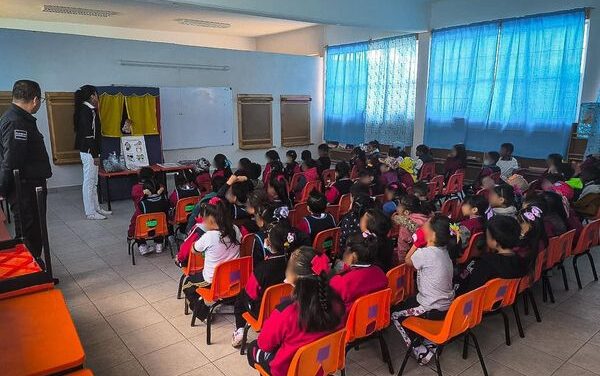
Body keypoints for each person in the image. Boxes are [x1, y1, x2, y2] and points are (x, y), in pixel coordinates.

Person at [246, 247, 344, 376]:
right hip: (323, 363)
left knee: (252, 348)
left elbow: (264, 344)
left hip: (287, 370)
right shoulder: (338, 303)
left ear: (294, 277)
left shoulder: (286, 311)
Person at [391, 214, 455, 365]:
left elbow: (407, 261)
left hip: (429, 306)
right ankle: (429, 341)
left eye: (425, 226)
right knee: (408, 303)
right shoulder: (445, 250)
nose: (421, 228)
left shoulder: (425, 253)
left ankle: (420, 350)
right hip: (446, 305)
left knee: (394, 315)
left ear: (432, 235)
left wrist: (417, 243)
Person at [0, 80, 52, 260]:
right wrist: (2, 189)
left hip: (28, 186)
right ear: (36, 100)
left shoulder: (17, 118)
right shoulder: (17, 122)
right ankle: (32, 274)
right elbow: (12, 160)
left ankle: (36, 270)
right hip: (24, 187)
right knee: (29, 232)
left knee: (33, 230)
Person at [232, 219, 295, 347]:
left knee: (241, 298)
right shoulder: (293, 263)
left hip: (263, 312)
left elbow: (251, 294)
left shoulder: (262, 269)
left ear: (269, 244)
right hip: (288, 305)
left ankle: (240, 331)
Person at [183, 197, 241, 321]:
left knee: (187, 284)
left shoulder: (209, 236)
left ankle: (203, 315)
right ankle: (228, 302)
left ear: (210, 219)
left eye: (204, 218)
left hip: (213, 280)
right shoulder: (235, 229)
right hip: (235, 278)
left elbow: (194, 249)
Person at [455, 215, 527, 296]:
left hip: (474, 304)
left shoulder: (483, 263)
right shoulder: (522, 260)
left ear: (495, 242)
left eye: (487, 235)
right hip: (502, 297)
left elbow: (463, 288)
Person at [330, 231, 388, 316]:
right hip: (373, 317)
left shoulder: (340, 281)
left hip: (348, 324)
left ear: (353, 256)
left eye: (345, 250)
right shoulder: (380, 272)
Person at [74, 85, 110, 220]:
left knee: (94, 181)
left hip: (93, 151)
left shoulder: (91, 110)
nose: (97, 98)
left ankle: (97, 208)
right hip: (89, 151)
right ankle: (90, 212)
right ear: (92, 96)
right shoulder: (86, 111)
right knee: (89, 182)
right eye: (96, 95)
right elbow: (89, 135)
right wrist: (95, 154)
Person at [128, 167, 167, 255]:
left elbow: (133, 222)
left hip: (143, 222)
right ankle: (159, 244)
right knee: (160, 219)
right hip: (159, 224)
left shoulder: (136, 189)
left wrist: (129, 234)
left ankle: (142, 247)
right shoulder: (160, 188)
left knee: (138, 224)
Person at [393, 195, 430, 265]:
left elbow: (402, 249)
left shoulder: (405, 226)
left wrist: (401, 263)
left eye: (398, 206)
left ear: (406, 212)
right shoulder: (426, 219)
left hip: (413, 261)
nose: (396, 208)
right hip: (428, 256)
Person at [339, 185, 374, 249]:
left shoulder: (348, 218)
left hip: (352, 253)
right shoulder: (376, 215)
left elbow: (342, 242)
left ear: (352, 197)